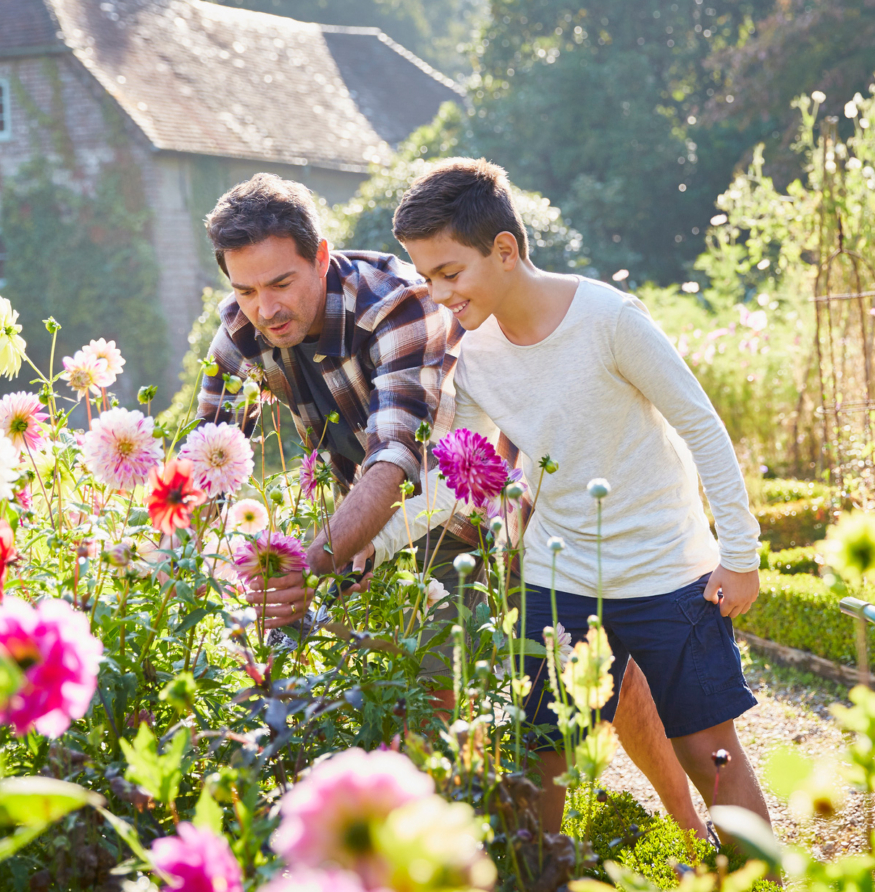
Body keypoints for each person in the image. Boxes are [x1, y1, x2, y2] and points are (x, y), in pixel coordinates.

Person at [195, 170, 711, 836]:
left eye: (280, 284)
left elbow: (396, 460)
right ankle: (456, 843)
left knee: (593, 666)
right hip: (374, 528)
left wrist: (312, 561)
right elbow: (201, 466)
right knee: (404, 689)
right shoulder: (243, 328)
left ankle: (690, 830)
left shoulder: (395, 305)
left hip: (474, 505)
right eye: (244, 289)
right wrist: (170, 561)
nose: (263, 309)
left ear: (321, 256)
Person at [379, 156, 769, 835]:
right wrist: (353, 549)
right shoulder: (474, 358)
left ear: (505, 250)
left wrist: (739, 552)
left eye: (449, 272)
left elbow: (701, 425)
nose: (437, 293)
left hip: (665, 568)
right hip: (557, 576)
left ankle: (762, 883)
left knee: (709, 753)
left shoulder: (609, 318)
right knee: (542, 752)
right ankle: (546, 875)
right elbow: (449, 479)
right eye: (425, 276)